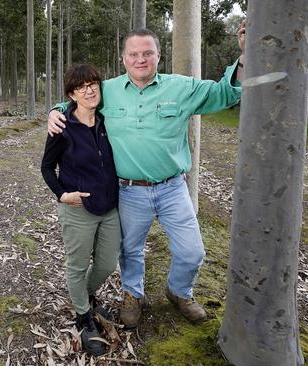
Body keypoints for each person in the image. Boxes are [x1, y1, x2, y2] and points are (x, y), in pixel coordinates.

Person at [47, 24, 246, 328]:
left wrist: (245, 55)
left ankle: (179, 292)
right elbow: (76, 102)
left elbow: (225, 93)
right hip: (128, 191)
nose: (141, 59)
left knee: (192, 251)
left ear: (158, 55)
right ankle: (133, 294)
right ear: (123, 58)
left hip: (171, 188)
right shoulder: (109, 90)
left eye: (147, 53)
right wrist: (55, 110)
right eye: (134, 54)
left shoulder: (181, 87)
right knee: (130, 250)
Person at [41, 64, 120, 356]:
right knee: (76, 265)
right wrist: (63, 194)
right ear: (72, 94)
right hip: (78, 208)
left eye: (93, 84)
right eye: (81, 87)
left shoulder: (107, 119)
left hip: (110, 205)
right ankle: (83, 316)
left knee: (107, 264)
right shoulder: (63, 127)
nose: (89, 90)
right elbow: (47, 167)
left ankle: (87, 294)